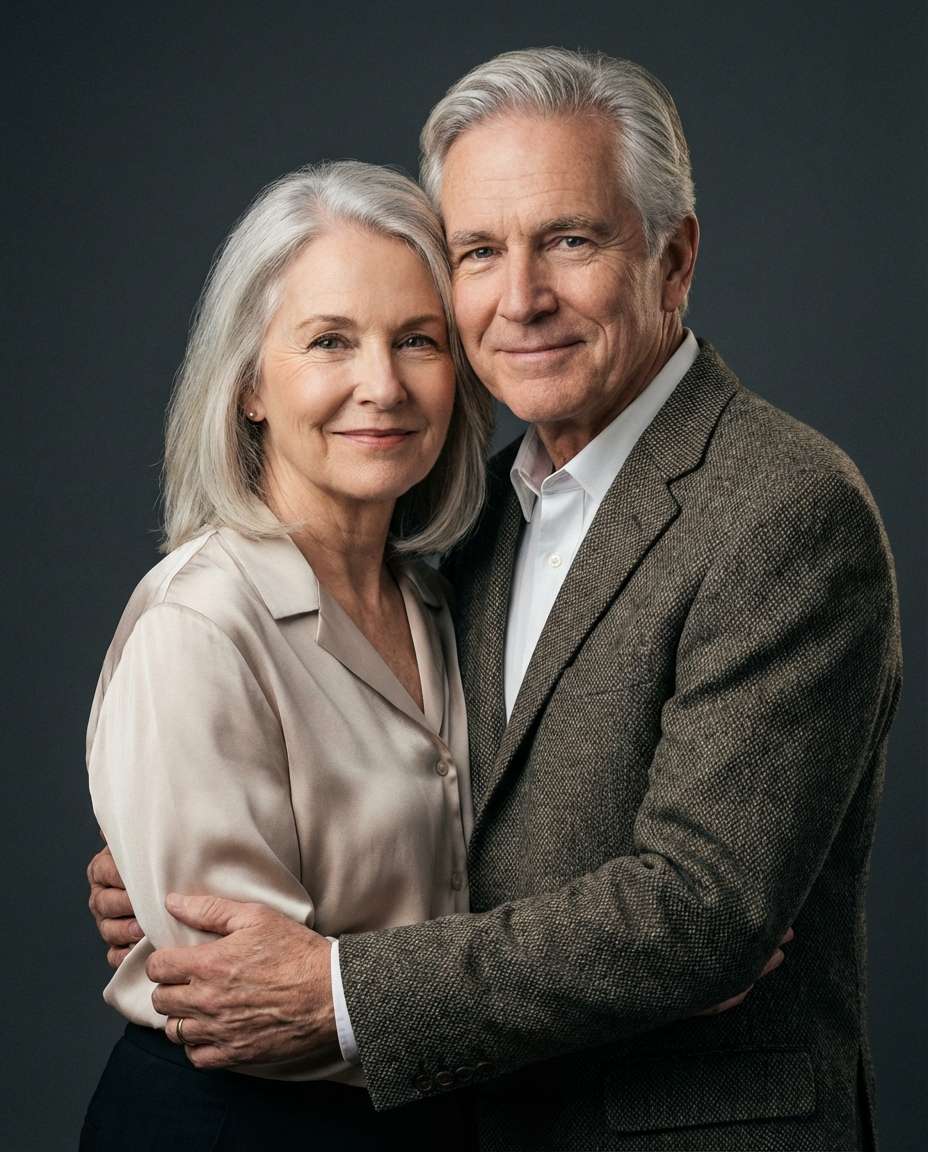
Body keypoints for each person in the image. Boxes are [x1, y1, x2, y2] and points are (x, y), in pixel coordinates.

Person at [89, 49, 901, 1152]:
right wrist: (172, 872)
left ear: (674, 257)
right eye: (478, 251)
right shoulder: (470, 530)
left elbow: (702, 912)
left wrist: (334, 983)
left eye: (570, 239)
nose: (520, 299)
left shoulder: (783, 508)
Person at [81, 159, 494, 1149]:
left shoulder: (441, 602)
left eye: (417, 341)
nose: (381, 385)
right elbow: (257, 1011)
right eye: (329, 342)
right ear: (252, 386)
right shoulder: (202, 627)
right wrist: (613, 996)